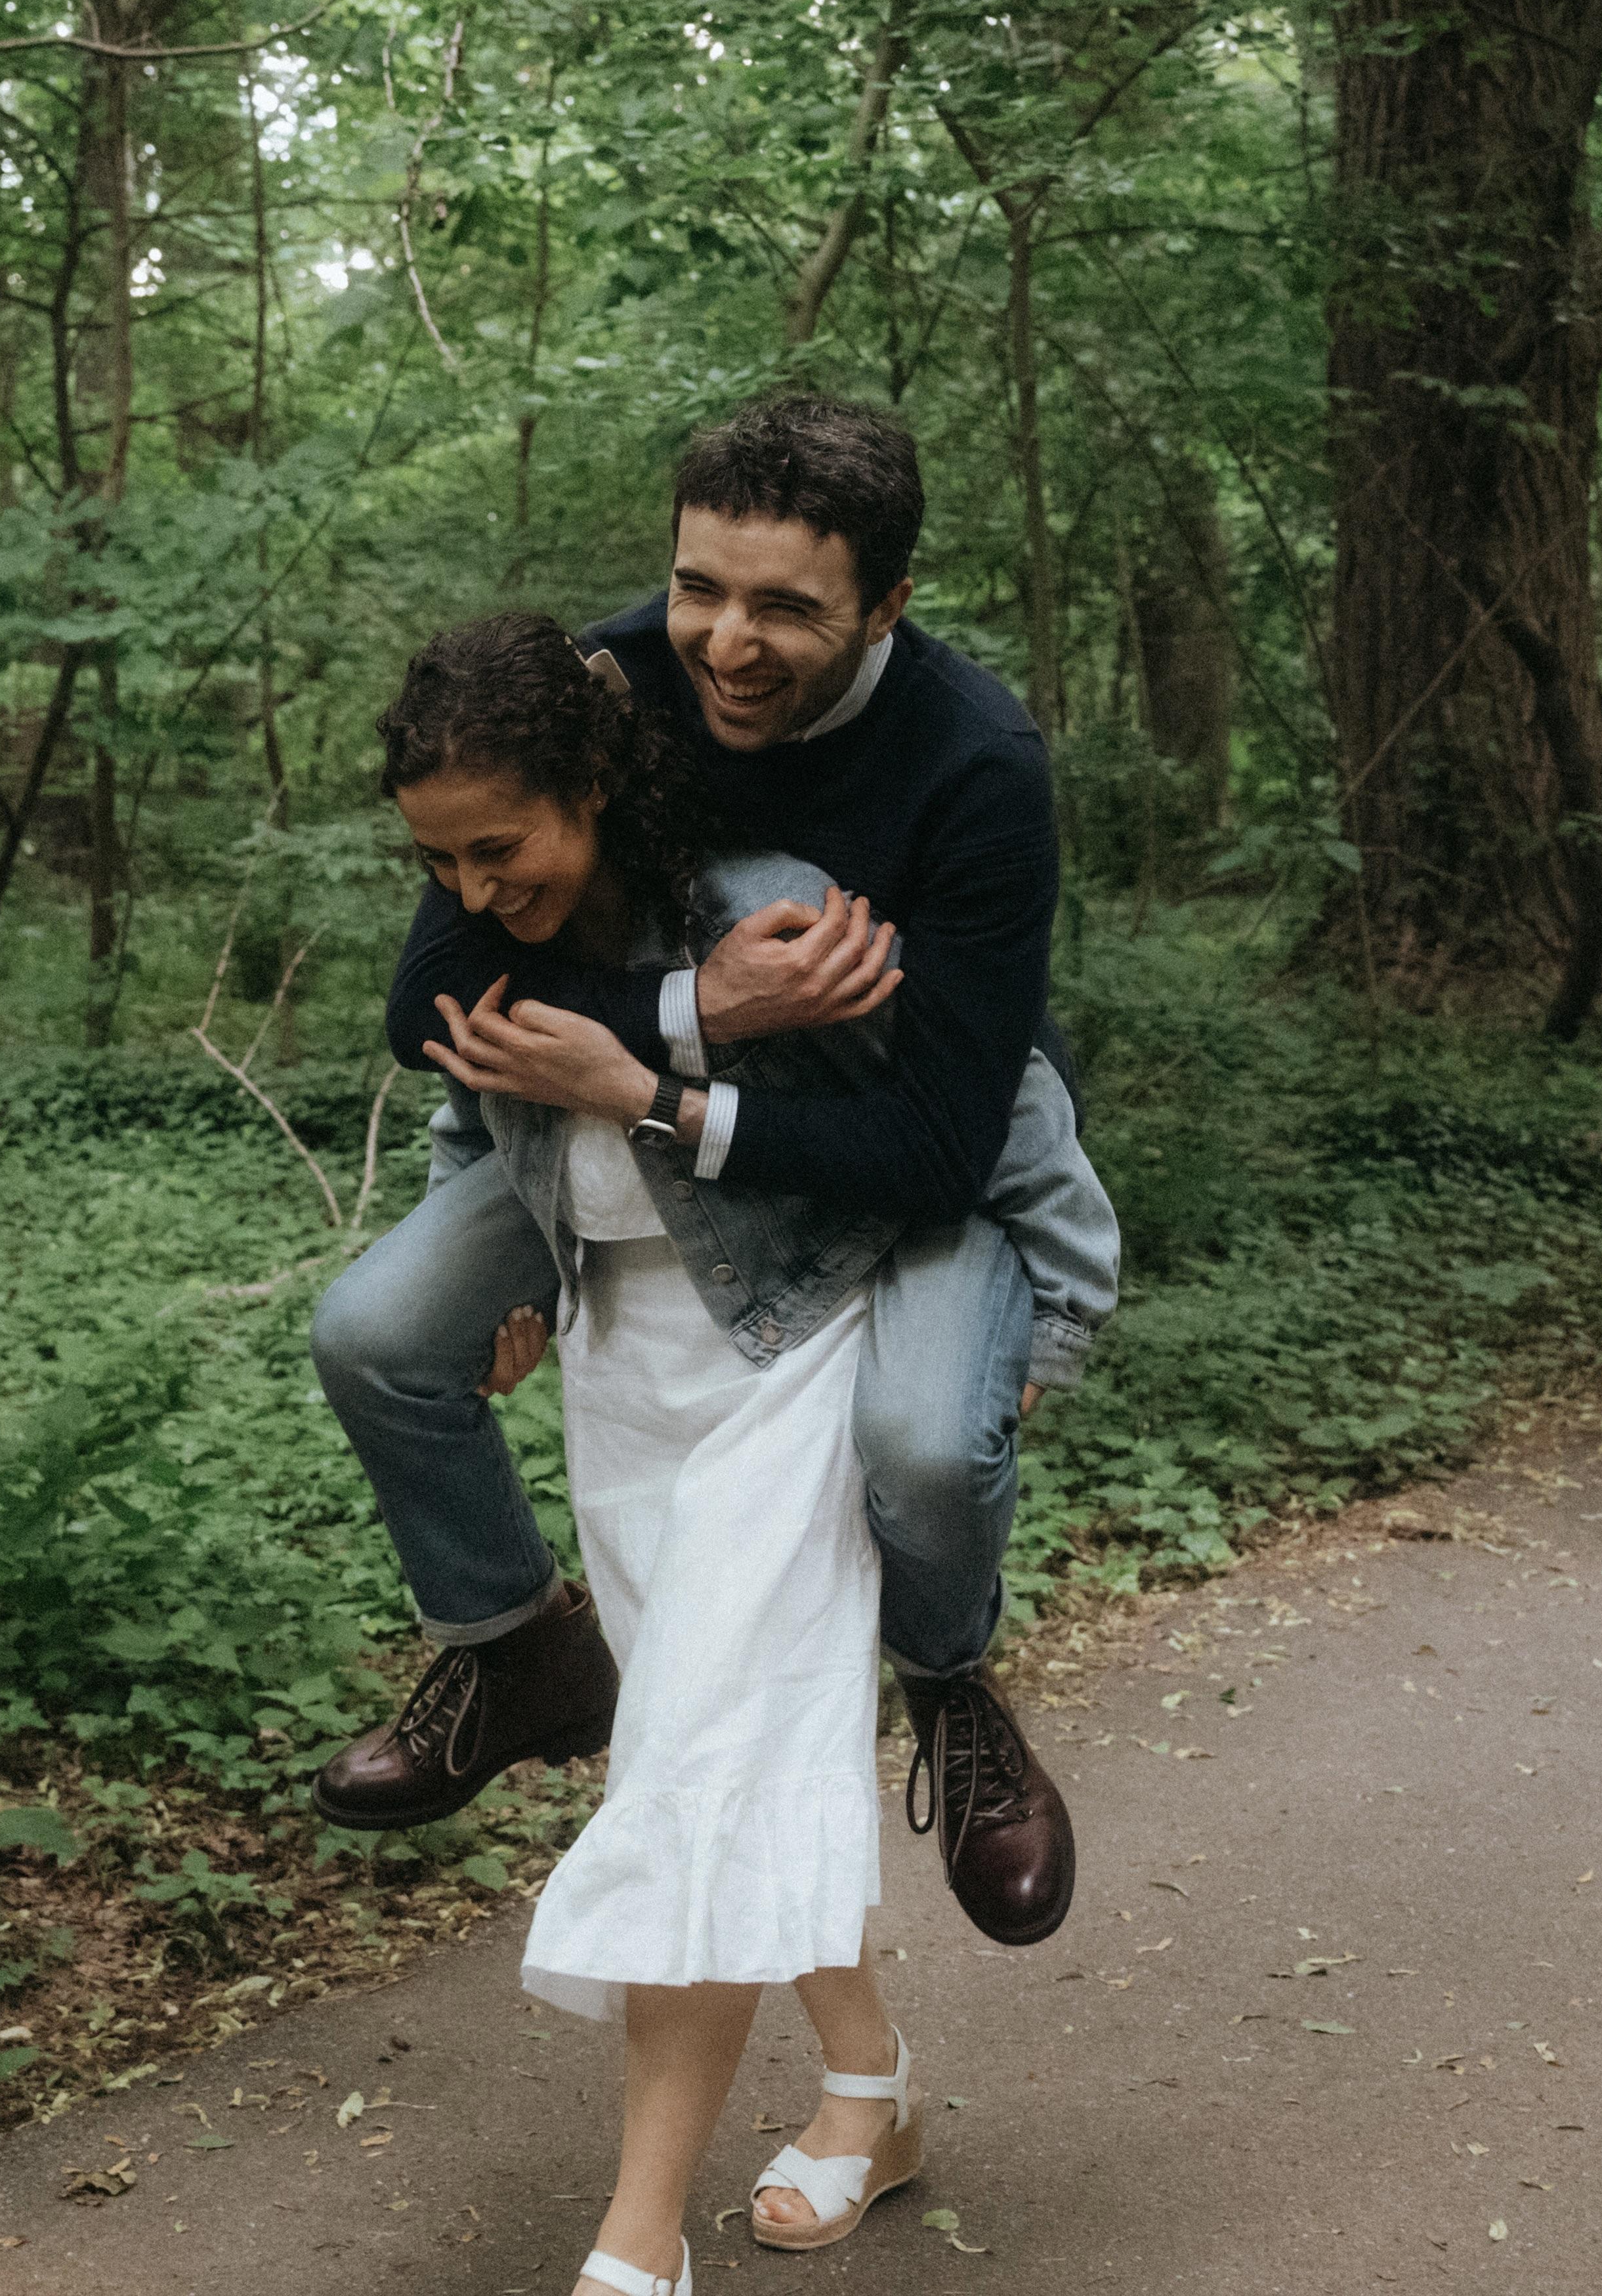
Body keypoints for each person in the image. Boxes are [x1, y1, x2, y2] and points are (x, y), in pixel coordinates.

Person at [362, 611, 1118, 2295]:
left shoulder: (775, 908)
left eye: (497, 847)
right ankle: (869, 2081)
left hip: (795, 1350)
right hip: (627, 1379)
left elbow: (994, 1112)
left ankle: (635, 2243)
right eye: (439, 861)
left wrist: (1049, 1327)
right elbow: (468, 1104)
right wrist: (494, 1280)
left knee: (699, 1765)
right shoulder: (500, 936)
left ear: (587, 785)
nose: (468, 888)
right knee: (726, 1756)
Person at [312, 393, 1108, 1949]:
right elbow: (432, 1005)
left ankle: (947, 1681)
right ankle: (516, 1647)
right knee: (373, 1332)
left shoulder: (972, 762)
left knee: (926, 1447)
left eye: (783, 608)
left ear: (885, 602)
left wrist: (662, 1091)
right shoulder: (604, 691)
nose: (723, 645)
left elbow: (955, 1136)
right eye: (696, 587)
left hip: (902, 1150)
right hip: (635, 1125)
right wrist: (692, 1018)